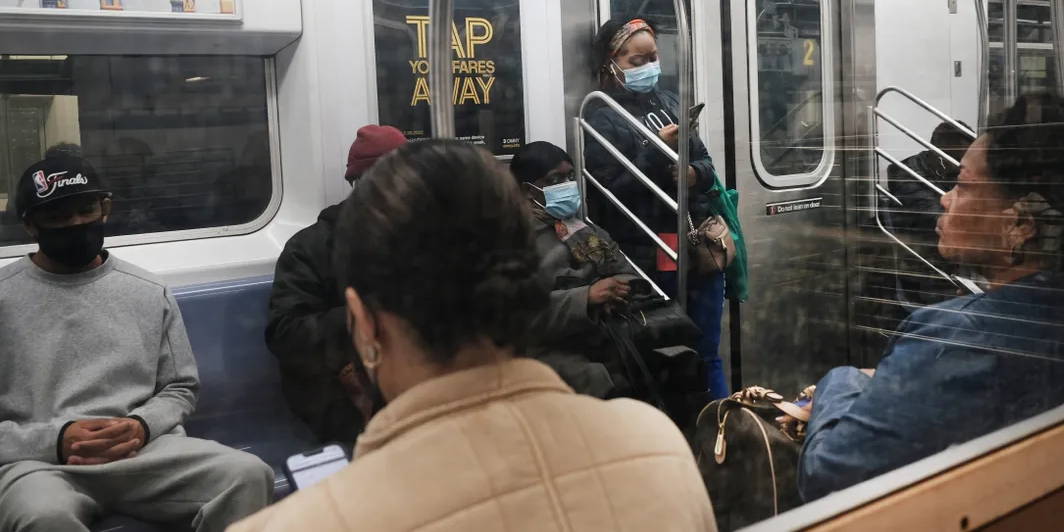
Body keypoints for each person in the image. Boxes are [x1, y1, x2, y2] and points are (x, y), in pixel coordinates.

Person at [230, 140, 717, 532]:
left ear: (364, 324)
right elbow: (290, 333)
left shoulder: (302, 522)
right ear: (524, 283)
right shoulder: (657, 449)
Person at [798, 93, 1064, 503]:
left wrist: (839, 380)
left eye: (962, 185)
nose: (945, 198)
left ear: (1019, 225)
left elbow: (827, 474)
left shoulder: (953, 337)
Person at [0, 155, 274, 531]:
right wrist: (57, 439)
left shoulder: (148, 291)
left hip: (144, 451)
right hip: (40, 464)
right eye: (57, 216)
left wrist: (141, 426)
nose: (76, 223)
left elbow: (180, 387)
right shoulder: (4, 298)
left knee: (248, 475)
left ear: (105, 209)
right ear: (30, 225)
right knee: (43, 517)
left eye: (87, 209)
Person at [584, 16, 729, 399]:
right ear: (611, 64)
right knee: (664, 351)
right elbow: (608, 190)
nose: (649, 68)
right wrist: (656, 150)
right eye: (637, 61)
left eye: (654, 57)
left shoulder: (669, 103)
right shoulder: (601, 117)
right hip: (650, 248)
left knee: (709, 349)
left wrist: (692, 173)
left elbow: (707, 167)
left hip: (697, 243)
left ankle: (721, 430)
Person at [511, 142, 706, 417]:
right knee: (601, 380)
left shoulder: (583, 228)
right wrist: (586, 298)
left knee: (677, 362)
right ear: (527, 190)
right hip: (554, 345)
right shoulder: (513, 242)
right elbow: (518, 314)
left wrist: (619, 290)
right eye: (554, 180)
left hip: (609, 333)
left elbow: (626, 270)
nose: (566, 185)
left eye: (569, 177)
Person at [265, 125, 407, 444]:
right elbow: (286, 335)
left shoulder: (423, 238)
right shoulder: (311, 248)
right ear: (361, 184)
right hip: (339, 392)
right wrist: (366, 314)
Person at [882, 121, 974, 307]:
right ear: (940, 156)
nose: (961, 166)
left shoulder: (946, 172)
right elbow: (941, 218)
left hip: (950, 260)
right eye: (958, 159)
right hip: (925, 269)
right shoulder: (905, 175)